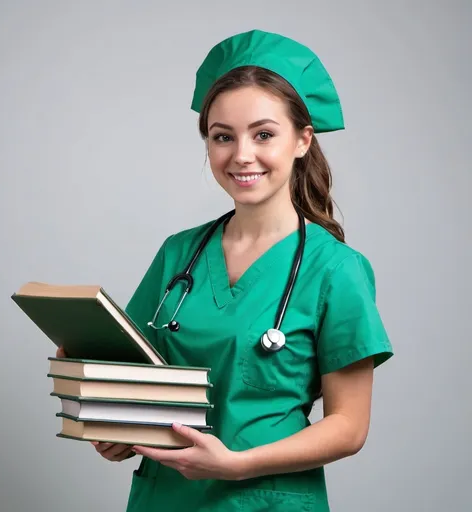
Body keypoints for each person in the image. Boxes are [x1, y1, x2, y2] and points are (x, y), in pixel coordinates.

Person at [57, 29, 394, 511]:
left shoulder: (336, 269)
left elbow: (350, 426)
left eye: (263, 134)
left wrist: (239, 464)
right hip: (164, 498)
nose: (241, 155)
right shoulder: (179, 254)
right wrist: (116, 429)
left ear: (302, 140)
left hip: (264, 501)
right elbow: (134, 375)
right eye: (222, 137)